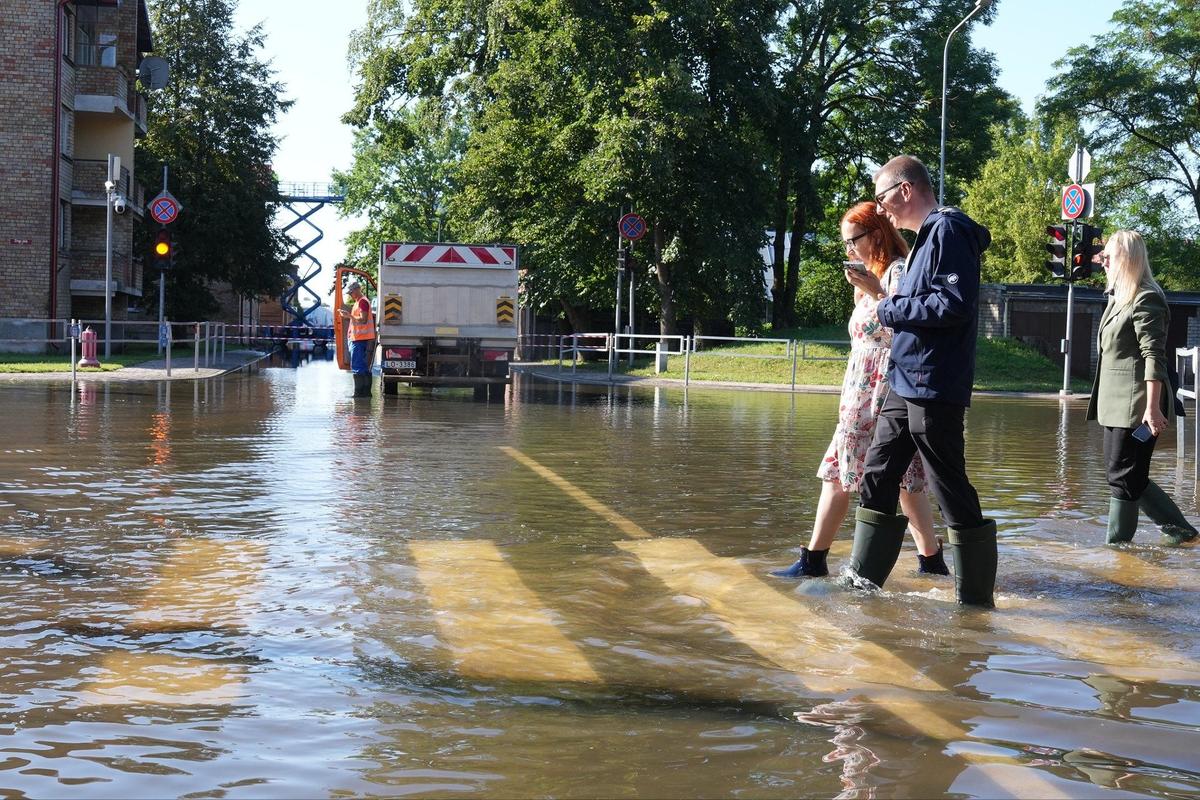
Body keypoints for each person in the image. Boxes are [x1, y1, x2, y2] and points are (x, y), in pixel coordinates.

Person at [843, 155, 997, 607]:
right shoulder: (927, 239)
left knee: (947, 483)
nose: (881, 209)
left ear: (905, 190)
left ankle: (974, 603)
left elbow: (952, 305)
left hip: (933, 383)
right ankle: (860, 585)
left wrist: (884, 305)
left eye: (883, 197)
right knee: (878, 472)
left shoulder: (948, 230)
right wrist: (883, 296)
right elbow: (924, 302)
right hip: (904, 379)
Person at [772, 202, 948, 578]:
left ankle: (815, 560)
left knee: (847, 474)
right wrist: (866, 291)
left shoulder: (898, 273)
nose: (850, 251)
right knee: (899, 478)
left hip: (880, 390)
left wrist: (877, 291)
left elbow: (909, 329)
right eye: (846, 245)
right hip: (863, 388)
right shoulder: (872, 277)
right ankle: (932, 562)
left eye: (853, 241)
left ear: (876, 234)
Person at [1088, 230, 1197, 545]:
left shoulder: (1146, 296)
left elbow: (1154, 357)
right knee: (1123, 474)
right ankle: (1181, 531)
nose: (1103, 261)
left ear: (1126, 259)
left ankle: (1118, 550)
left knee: (1123, 477)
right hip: (1115, 402)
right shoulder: (1120, 297)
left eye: (1109, 256)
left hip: (1136, 403)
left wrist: (1151, 408)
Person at [339, 281, 376, 397]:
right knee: (363, 367)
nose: (350, 295)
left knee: (357, 367)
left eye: (351, 292)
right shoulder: (358, 302)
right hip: (359, 338)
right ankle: (365, 395)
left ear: (357, 289)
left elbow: (363, 320)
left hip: (360, 339)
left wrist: (348, 315)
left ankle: (359, 394)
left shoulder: (362, 302)